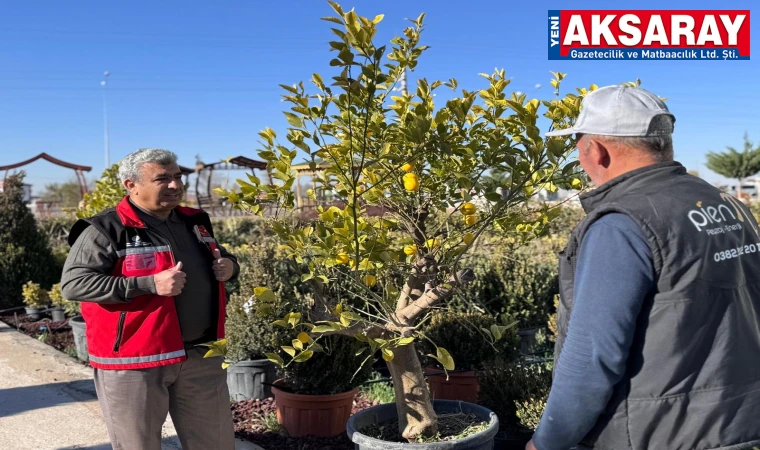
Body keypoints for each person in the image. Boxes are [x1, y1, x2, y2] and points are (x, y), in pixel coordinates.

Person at [526, 86, 760, 450]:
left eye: (578, 144)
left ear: (596, 151)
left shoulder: (621, 224)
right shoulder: (728, 204)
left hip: (658, 433)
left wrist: (547, 441)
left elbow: (592, 356)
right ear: (664, 144)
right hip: (737, 423)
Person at [61, 148, 240, 450]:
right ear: (131, 185)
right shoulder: (105, 229)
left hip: (200, 356)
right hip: (135, 362)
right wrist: (148, 284)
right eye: (162, 179)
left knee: (217, 444)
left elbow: (221, 257)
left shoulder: (194, 221)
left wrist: (230, 267)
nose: (175, 185)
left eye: (177, 177)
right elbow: (74, 284)